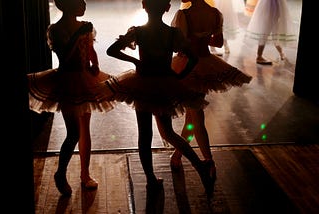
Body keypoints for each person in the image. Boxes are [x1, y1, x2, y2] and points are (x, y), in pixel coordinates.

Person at [106, 0, 216, 196]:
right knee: (169, 133)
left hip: (144, 84)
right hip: (164, 83)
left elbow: (111, 50)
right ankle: (200, 166)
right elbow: (193, 58)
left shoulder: (138, 32)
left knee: (145, 135)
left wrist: (135, 61)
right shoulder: (172, 33)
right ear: (167, 7)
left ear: (143, 5)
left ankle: (150, 179)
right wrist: (179, 77)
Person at [28, 0, 115, 196]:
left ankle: (85, 174)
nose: (83, 4)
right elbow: (65, 55)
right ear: (66, 5)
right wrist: (79, 34)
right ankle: (60, 173)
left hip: (84, 78)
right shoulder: (57, 30)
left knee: (85, 128)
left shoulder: (85, 26)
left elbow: (90, 50)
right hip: (67, 81)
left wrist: (95, 65)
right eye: (78, 1)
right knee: (73, 133)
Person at [170, 0, 252, 173]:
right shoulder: (215, 14)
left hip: (188, 66)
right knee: (191, 118)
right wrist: (202, 39)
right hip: (206, 64)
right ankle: (177, 155)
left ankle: (208, 161)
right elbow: (219, 43)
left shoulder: (184, 15)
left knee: (196, 118)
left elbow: (178, 45)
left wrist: (191, 39)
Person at [244, 0, 297, 65]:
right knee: (267, 29)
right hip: (270, 4)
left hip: (274, 3)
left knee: (273, 29)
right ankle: (259, 56)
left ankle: (281, 53)